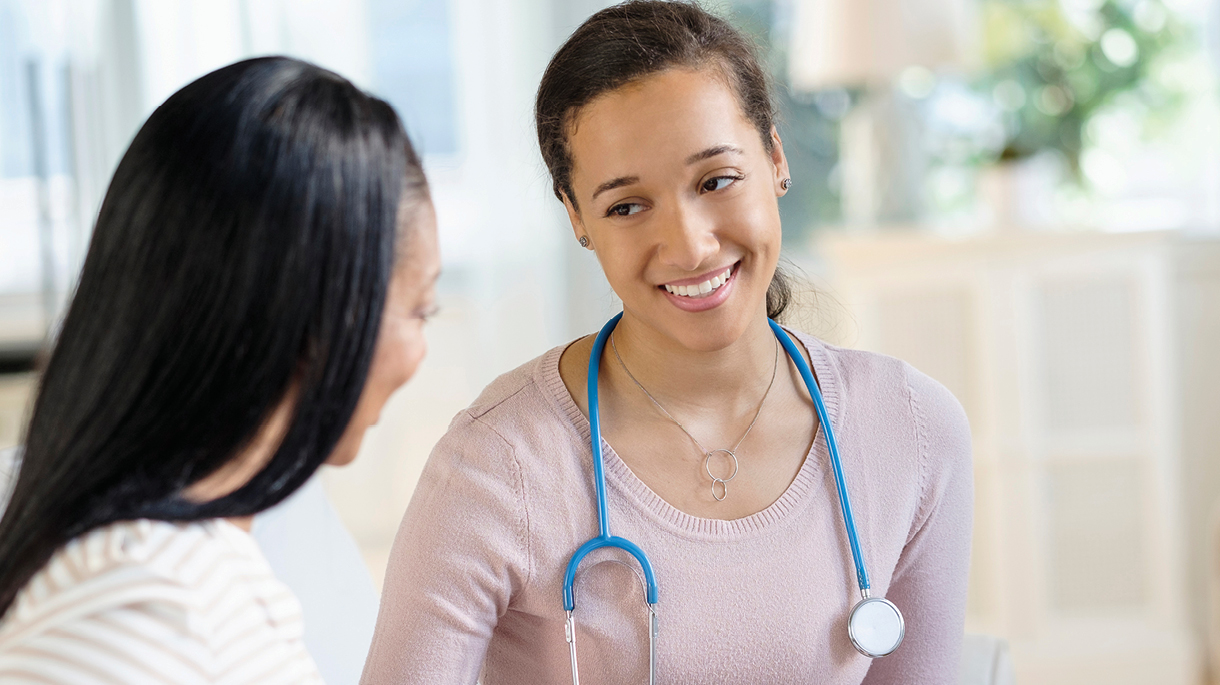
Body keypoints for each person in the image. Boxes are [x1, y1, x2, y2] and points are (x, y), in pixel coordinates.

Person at [361, 2, 971, 684]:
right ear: (576, 216)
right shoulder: (496, 465)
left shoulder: (915, 430)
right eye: (626, 205)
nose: (688, 245)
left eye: (716, 180)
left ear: (775, 158)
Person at [0, 56, 439, 684]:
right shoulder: (139, 603)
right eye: (420, 309)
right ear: (319, 312)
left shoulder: (209, 560)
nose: (420, 353)